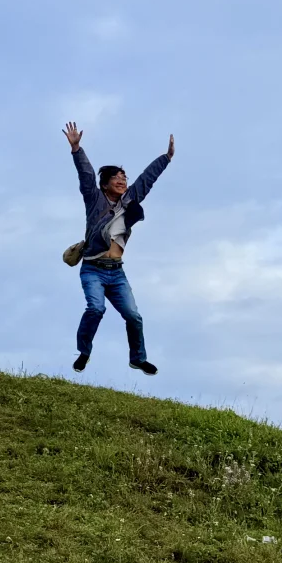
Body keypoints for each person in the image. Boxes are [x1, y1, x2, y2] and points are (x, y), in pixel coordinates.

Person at [62, 121, 174, 376]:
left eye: (124, 178)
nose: (122, 181)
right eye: (117, 178)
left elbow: (147, 179)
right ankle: (84, 353)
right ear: (105, 184)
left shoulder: (130, 201)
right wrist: (77, 149)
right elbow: (87, 176)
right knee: (96, 308)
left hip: (117, 272)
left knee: (134, 316)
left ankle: (138, 359)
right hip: (93, 269)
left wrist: (166, 158)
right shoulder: (95, 199)